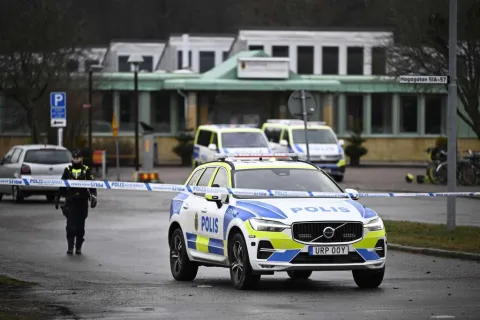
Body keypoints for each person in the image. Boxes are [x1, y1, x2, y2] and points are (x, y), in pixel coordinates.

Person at [55, 149, 98, 255]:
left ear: (81, 158)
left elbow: (92, 185)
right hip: (70, 201)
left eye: (78, 158)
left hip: (82, 201)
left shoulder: (86, 170)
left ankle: (78, 247)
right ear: (72, 159)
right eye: (74, 158)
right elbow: (62, 185)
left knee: (80, 226)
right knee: (70, 226)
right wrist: (57, 198)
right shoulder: (68, 170)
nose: (76, 160)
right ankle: (70, 247)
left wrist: (94, 196)